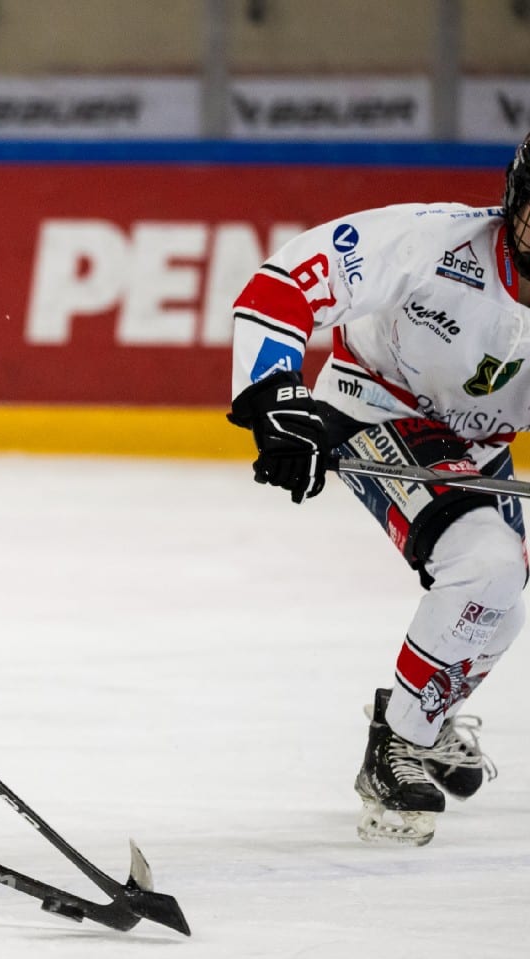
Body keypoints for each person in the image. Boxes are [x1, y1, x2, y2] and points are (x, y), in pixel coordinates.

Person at [227, 131, 530, 846]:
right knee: (486, 566)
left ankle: (424, 709)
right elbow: (285, 283)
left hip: (481, 445)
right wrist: (273, 398)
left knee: (500, 600)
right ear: (514, 200)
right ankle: (397, 743)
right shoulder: (436, 244)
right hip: (378, 405)